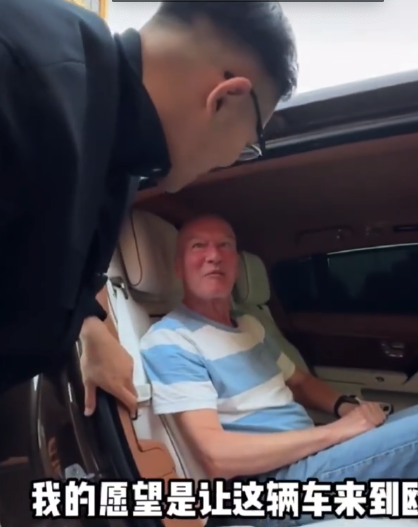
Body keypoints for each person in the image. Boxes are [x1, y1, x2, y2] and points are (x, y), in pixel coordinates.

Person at [0, 1, 297, 415]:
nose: (233, 158)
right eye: (249, 143)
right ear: (226, 98)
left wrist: (88, 325)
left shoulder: (120, 157)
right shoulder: (20, 74)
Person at [140, 214, 418, 526]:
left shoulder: (248, 325)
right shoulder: (171, 340)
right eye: (198, 246)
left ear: (236, 261)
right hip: (273, 486)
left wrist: (345, 407)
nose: (214, 255)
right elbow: (216, 456)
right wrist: (335, 433)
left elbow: (299, 382)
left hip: (308, 457)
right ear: (178, 267)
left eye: (225, 245)